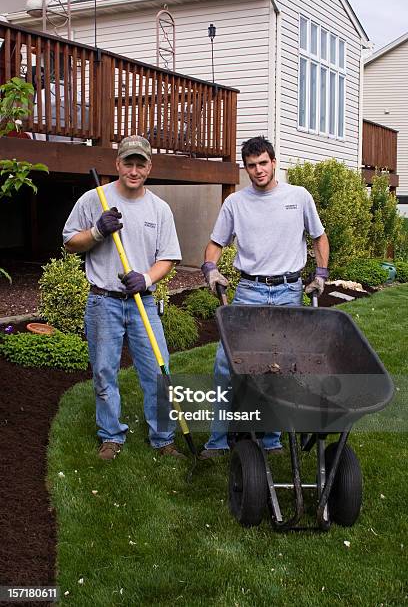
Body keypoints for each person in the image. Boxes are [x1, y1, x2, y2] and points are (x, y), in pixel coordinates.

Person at [200, 136, 329, 459]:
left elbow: (319, 237)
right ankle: (217, 441)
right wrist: (210, 269)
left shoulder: (298, 197)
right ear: (246, 169)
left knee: (279, 367)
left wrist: (321, 274)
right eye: (251, 165)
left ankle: (271, 440)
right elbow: (215, 244)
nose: (258, 170)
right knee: (225, 365)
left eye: (263, 163)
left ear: (274, 162)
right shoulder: (235, 203)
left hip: (288, 291)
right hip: (249, 291)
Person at [63, 135, 185, 461]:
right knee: (104, 371)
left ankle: (163, 439)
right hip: (103, 301)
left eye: (140, 164)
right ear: (117, 164)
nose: (133, 170)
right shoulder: (95, 199)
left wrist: (145, 278)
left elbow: (169, 257)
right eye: (127, 163)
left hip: (142, 302)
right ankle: (111, 435)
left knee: (158, 370)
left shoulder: (159, 209)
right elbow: (70, 243)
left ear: (149, 167)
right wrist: (97, 232)